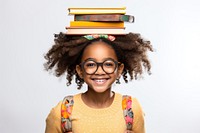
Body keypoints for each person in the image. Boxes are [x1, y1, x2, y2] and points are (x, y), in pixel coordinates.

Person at [44, 33, 153, 133]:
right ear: (80, 70)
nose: (100, 71)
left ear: (119, 69)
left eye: (108, 64)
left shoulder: (132, 109)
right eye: (91, 64)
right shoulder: (62, 112)